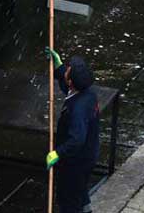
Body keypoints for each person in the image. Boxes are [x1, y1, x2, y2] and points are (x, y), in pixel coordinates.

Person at [44, 48, 100, 213]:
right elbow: (67, 86)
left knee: (68, 198)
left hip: (77, 161)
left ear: (71, 82)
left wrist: (58, 153)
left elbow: (77, 139)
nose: (67, 68)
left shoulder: (77, 110)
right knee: (80, 190)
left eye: (68, 69)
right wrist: (59, 65)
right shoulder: (88, 94)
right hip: (89, 154)